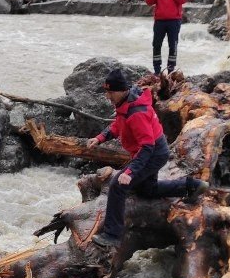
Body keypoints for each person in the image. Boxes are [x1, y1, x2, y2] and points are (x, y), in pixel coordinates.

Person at [86, 69, 208, 247]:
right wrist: (100, 138)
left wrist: (130, 171)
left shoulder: (137, 112)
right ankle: (192, 186)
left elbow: (147, 146)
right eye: (106, 92)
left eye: (110, 92)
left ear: (122, 90)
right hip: (152, 152)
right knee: (147, 191)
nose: (108, 96)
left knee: (117, 185)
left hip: (153, 153)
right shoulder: (125, 104)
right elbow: (118, 125)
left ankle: (113, 235)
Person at [145, 0, 188, 75]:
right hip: (159, 21)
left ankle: (171, 71)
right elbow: (149, 2)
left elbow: (181, 0)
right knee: (156, 45)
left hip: (174, 21)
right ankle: (157, 71)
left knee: (173, 45)